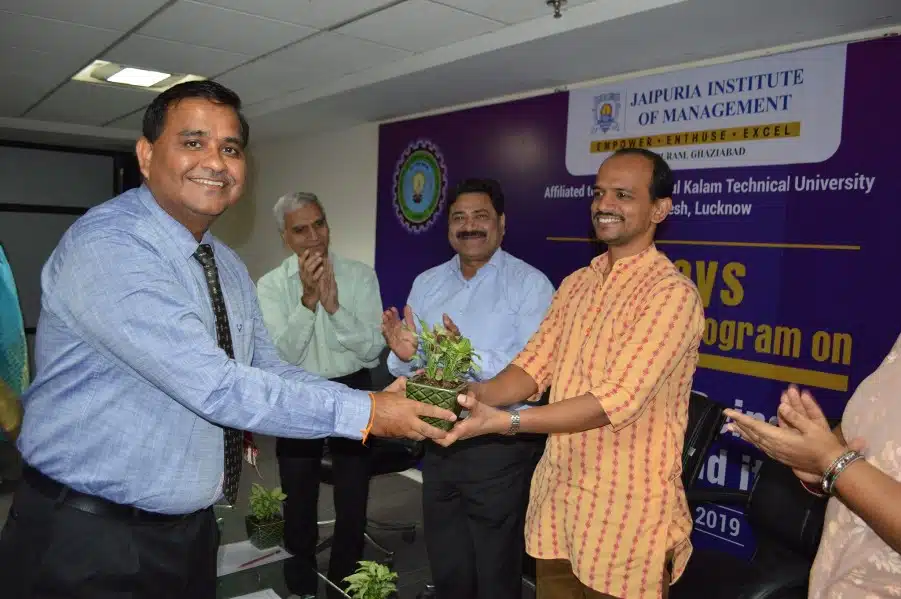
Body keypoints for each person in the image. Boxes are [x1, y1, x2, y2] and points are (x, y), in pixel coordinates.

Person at [0, 80, 455, 599]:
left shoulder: (227, 265)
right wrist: (369, 412)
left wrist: (374, 401)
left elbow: (265, 368)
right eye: (193, 142)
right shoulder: (110, 247)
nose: (215, 161)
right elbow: (215, 385)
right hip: (88, 540)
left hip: (188, 531)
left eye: (230, 148)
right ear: (146, 156)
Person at [437, 149, 705, 599]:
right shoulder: (577, 284)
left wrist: (507, 421)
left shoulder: (670, 295)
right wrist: (470, 394)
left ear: (660, 209)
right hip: (560, 505)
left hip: (625, 521)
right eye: (599, 193)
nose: (604, 205)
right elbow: (531, 367)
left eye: (623, 195)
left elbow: (613, 401)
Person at [382, 178, 555, 599]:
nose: (469, 226)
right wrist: (405, 355)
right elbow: (412, 365)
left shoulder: (530, 285)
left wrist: (463, 355)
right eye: (459, 218)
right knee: (447, 561)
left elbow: (535, 370)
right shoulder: (427, 283)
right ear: (448, 228)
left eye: (481, 216)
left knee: (495, 568)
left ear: (501, 224)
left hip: (498, 445)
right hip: (438, 437)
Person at [257, 191, 385, 598]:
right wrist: (308, 302)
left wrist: (334, 309)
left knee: (353, 498)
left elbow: (372, 352)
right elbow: (280, 358)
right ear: (285, 238)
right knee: (297, 498)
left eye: (319, 224)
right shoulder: (271, 286)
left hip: (351, 388)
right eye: (301, 230)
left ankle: (345, 584)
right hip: (298, 391)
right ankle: (301, 587)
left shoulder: (360, 276)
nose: (314, 237)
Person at [726, 375, 901, 598]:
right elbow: (861, 457)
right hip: (833, 581)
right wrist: (818, 464)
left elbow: (839, 463)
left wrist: (832, 461)